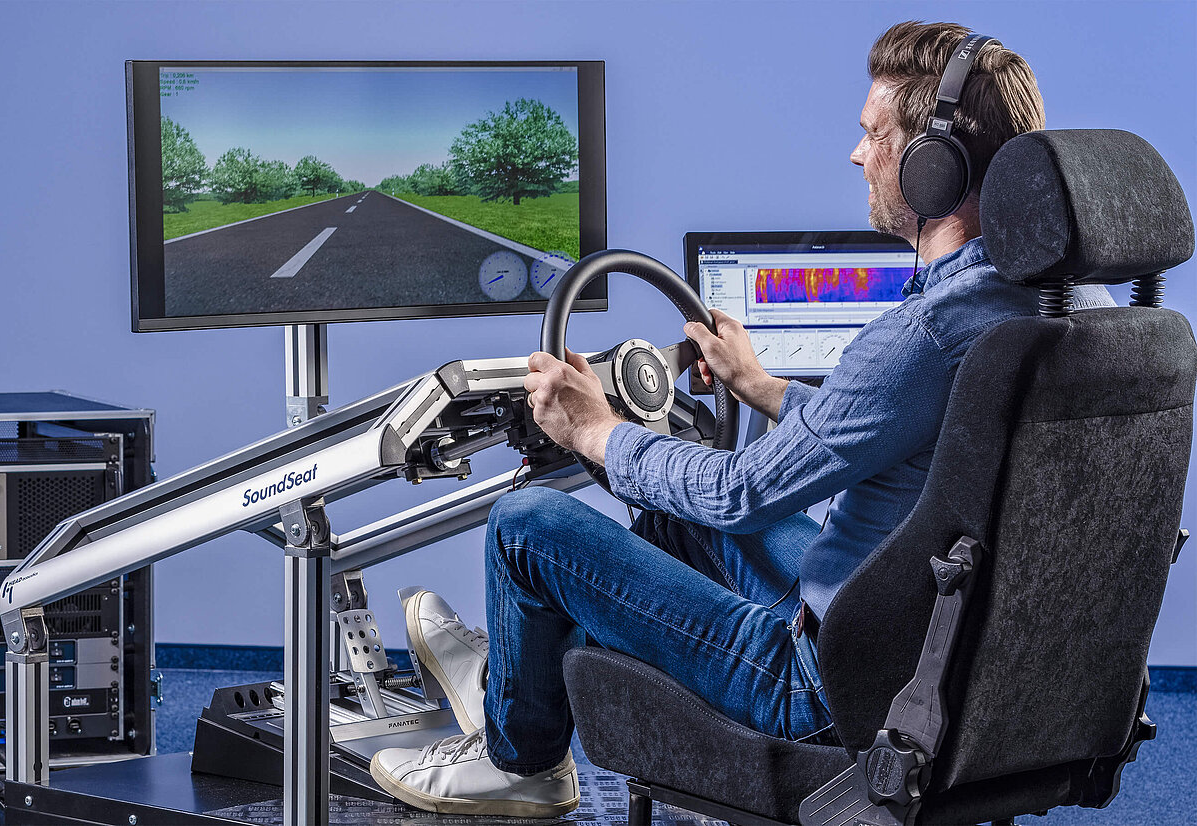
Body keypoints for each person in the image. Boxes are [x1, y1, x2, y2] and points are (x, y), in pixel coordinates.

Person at [369, 21, 1115, 816]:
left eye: (872, 135)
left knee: (527, 524)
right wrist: (761, 388)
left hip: (831, 688)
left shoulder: (924, 335)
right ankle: (521, 681)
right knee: (672, 514)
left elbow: (741, 492)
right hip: (954, 658)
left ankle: (520, 757)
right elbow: (913, 439)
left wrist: (595, 430)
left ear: (936, 168)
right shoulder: (1068, 309)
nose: (856, 155)